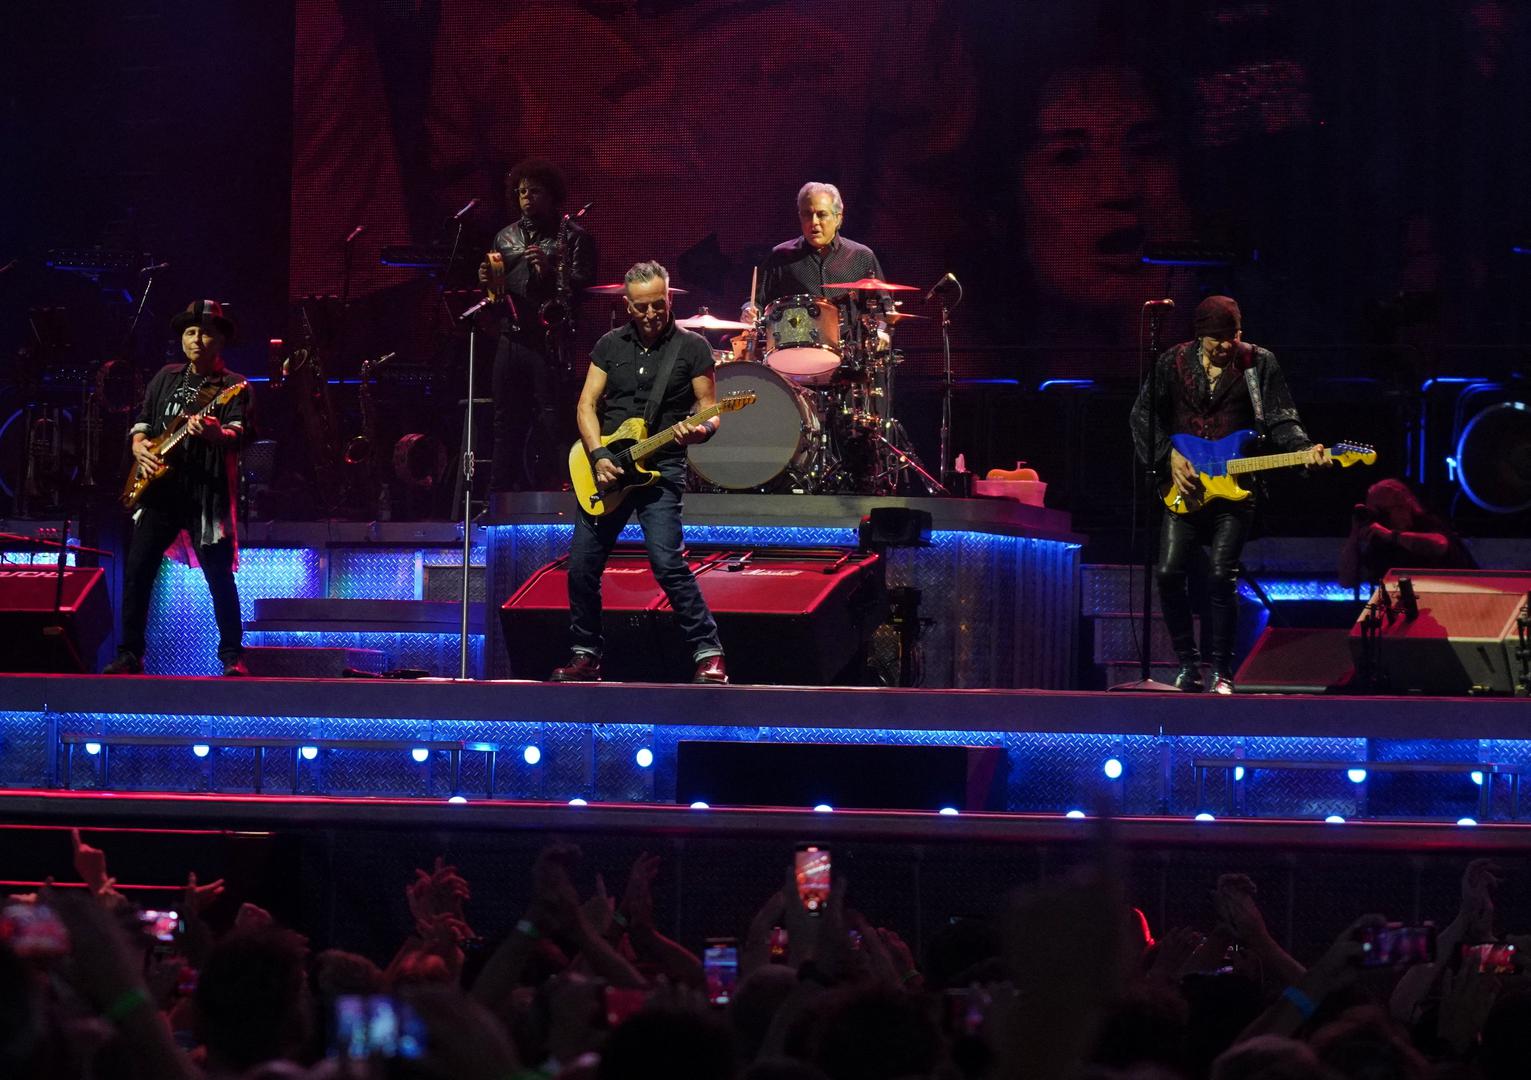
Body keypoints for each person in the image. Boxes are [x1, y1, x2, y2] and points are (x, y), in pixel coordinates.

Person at [1129, 295, 1328, 694]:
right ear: (1199, 335)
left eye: (1231, 336)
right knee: (1168, 573)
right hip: (1185, 485)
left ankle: (1222, 671)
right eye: (1215, 338)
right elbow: (1143, 415)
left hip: (1237, 487)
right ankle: (1188, 666)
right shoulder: (1171, 361)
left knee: (1221, 576)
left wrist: (1304, 449)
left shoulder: (1259, 363)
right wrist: (1168, 457)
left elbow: (1281, 418)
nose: (1224, 345)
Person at [552, 261, 727, 684]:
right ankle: (585, 654)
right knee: (581, 566)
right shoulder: (609, 345)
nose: (651, 314)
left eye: (658, 305)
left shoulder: (692, 347)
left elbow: (709, 410)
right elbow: (586, 405)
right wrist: (598, 456)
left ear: (668, 298)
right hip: (608, 466)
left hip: (661, 465)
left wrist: (700, 430)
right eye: (641, 307)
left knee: (667, 562)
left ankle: (709, 653)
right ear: (627, 305)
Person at [104, 301, 250, 677]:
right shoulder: (165, 377)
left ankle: (232, 656)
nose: (196, 339)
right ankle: (130, 654)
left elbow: (239, 434)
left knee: (219, 576)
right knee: (138, 570)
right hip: (160, 492)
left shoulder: (233, 385)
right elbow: (143, 423)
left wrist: (217, 433)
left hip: (205, 492)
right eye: (190, 332)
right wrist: (139, 446)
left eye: (205, 333)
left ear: (221, 340)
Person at [479, 157, 596, 491]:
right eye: (522, 192)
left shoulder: (573, 236)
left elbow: (584, 286)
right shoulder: (504, 237)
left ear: (552, 194)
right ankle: (500, 497)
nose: (527, 198)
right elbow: (496, 293)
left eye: (535, 191)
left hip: (549, 341)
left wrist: (549, 273)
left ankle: (569, 493)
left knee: (554, 419)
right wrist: (486, 282)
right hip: (511, 337)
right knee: (504, 421)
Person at [757, 182, 891, 311]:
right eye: (807, 214)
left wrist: (883, 322)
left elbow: (883, 308)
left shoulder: (862, 257)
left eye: (821, 215)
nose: (814, 222)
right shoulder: (780, 257)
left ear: (838, 218)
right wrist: (750, 311)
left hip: (848, 328)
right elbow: (756, 304)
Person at [1338, 478, 1475, 589]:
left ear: (1404, 505)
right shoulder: (1380, 542)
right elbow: (1346, 581)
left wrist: (1392, 536)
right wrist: (1354, 535)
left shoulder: (1426, 523)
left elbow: (1440, 544)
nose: (1380, 518)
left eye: (1383, 511)